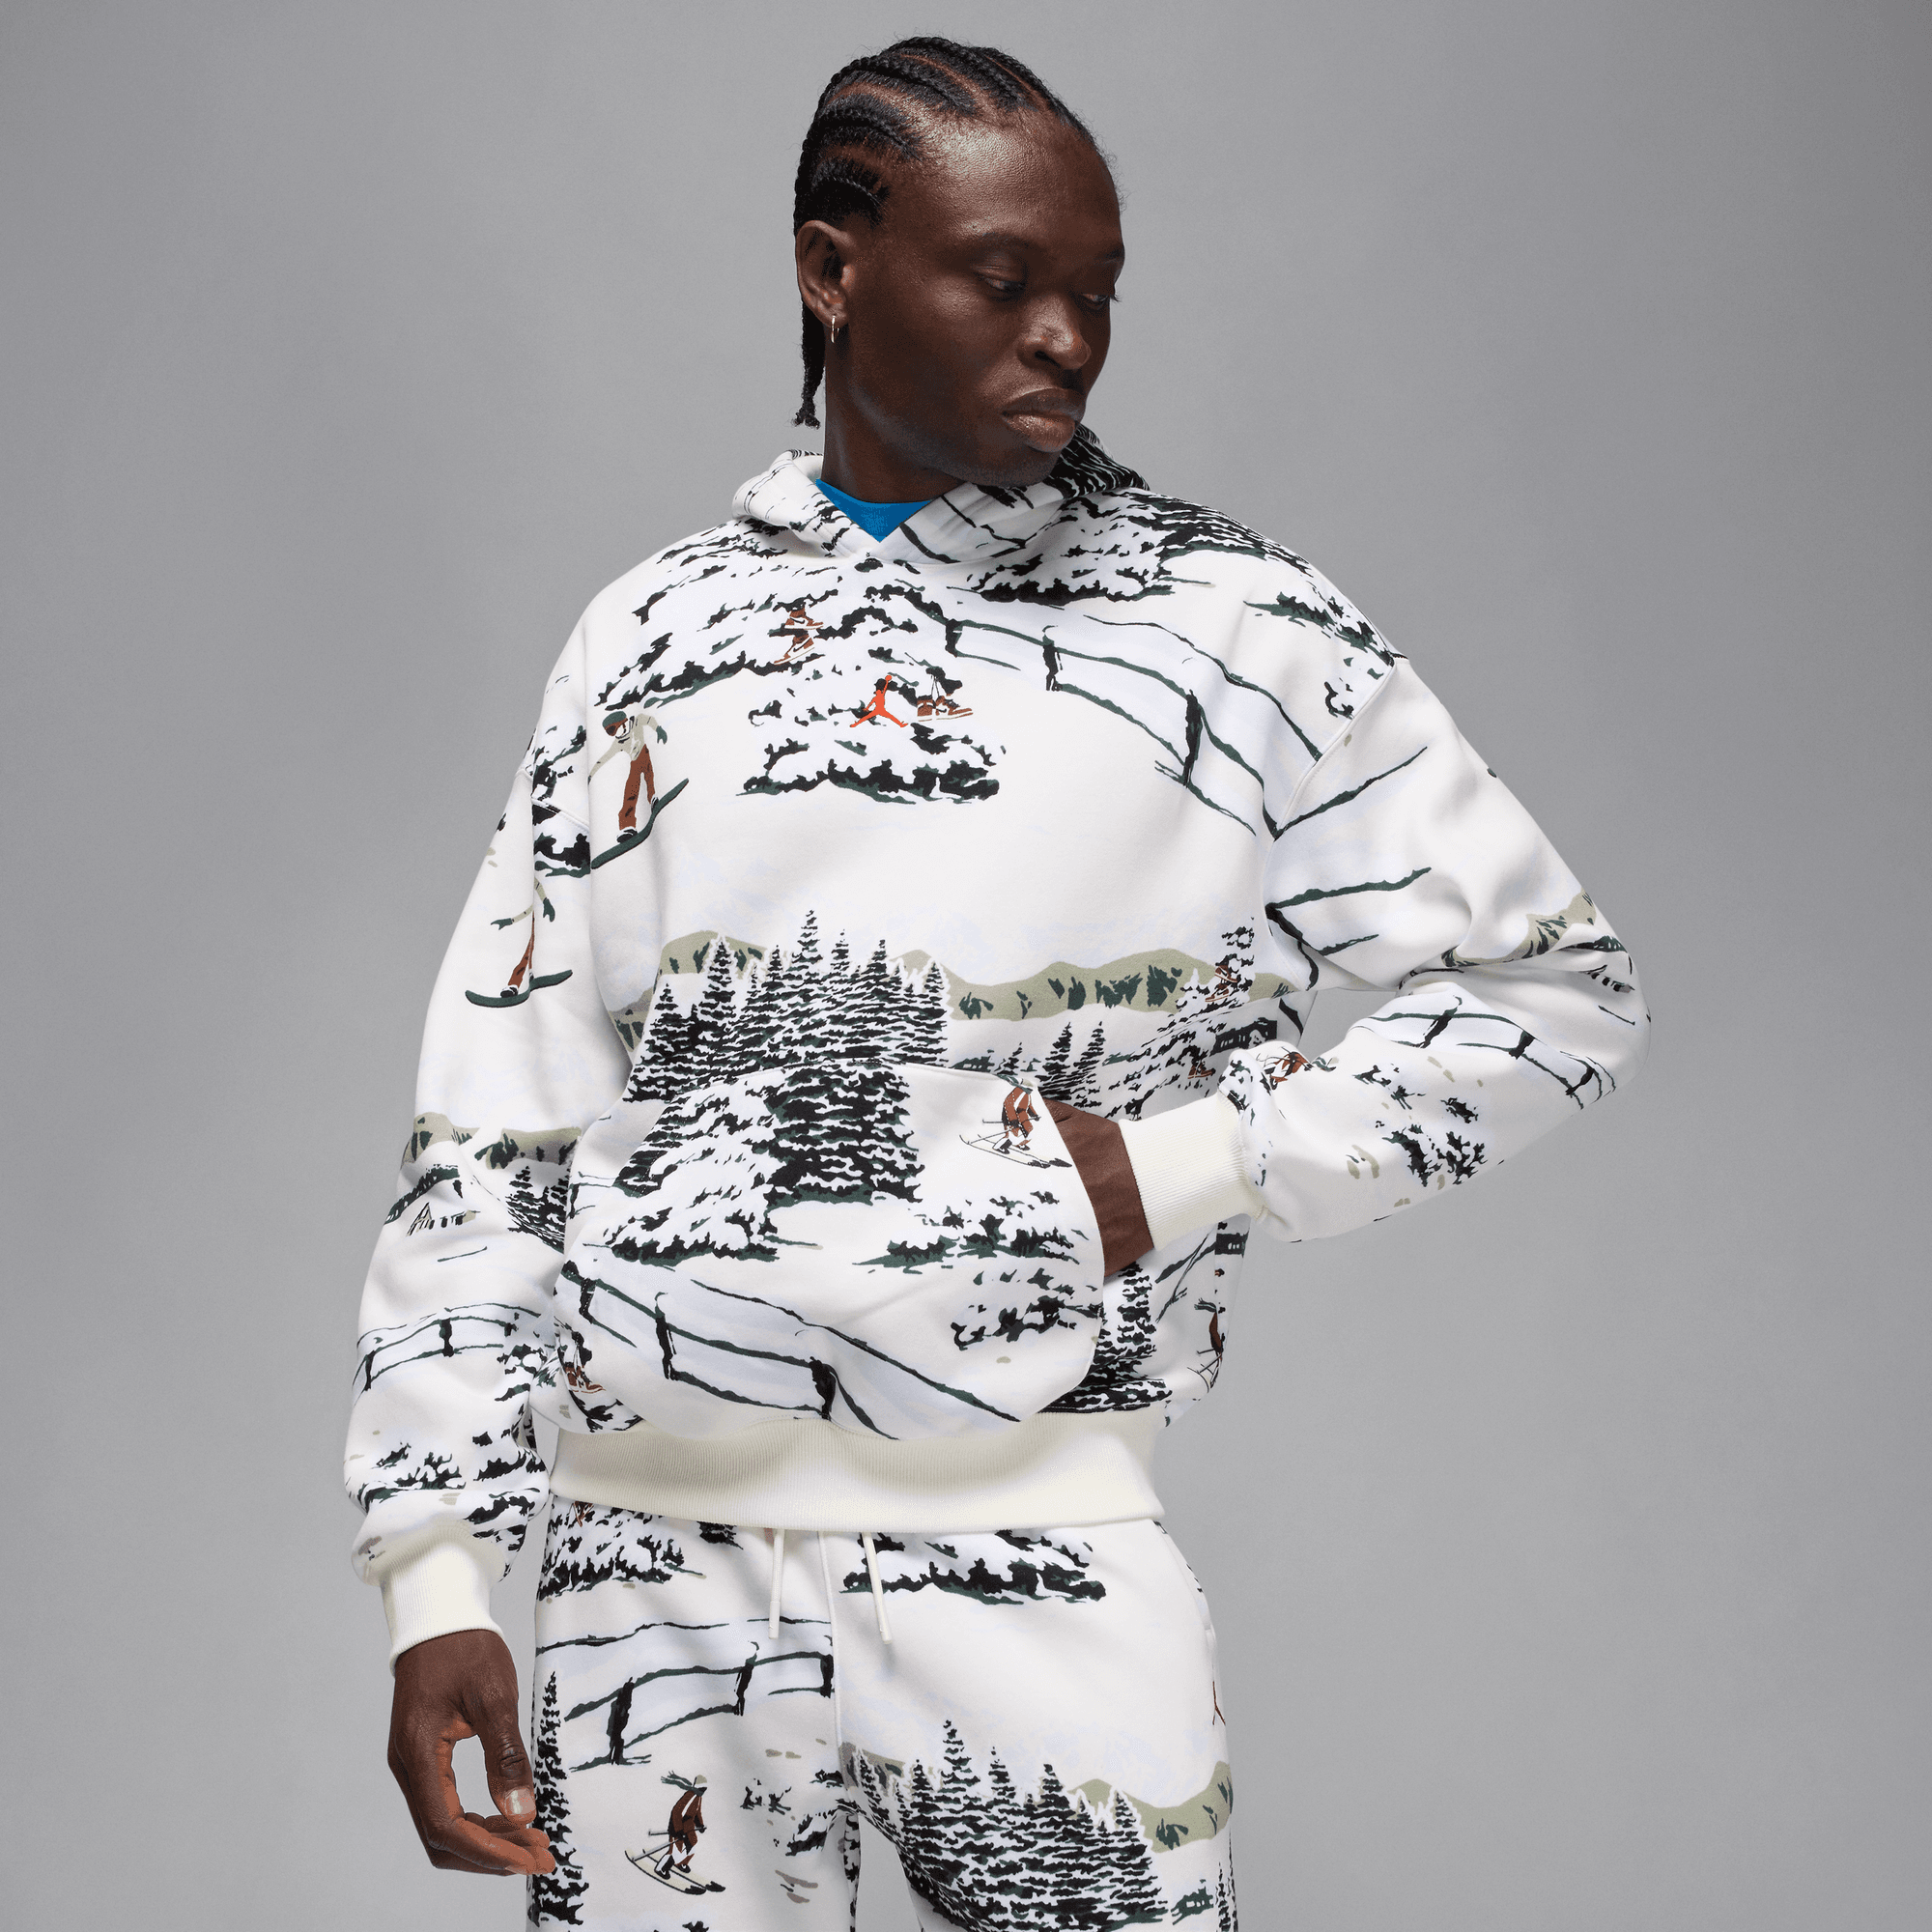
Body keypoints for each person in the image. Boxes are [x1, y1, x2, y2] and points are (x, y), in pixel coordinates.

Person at [346, 36, 1648, 1930]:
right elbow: (498, 1113)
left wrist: (1177, 1168)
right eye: (1005, 278)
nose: (1067, 338)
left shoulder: (1232, 630)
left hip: (1037, 1543)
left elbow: (1554, 991)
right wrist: (438, 1572)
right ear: (832, 269)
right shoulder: (650, 635)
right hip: (647, 1582)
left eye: (1097, 293)